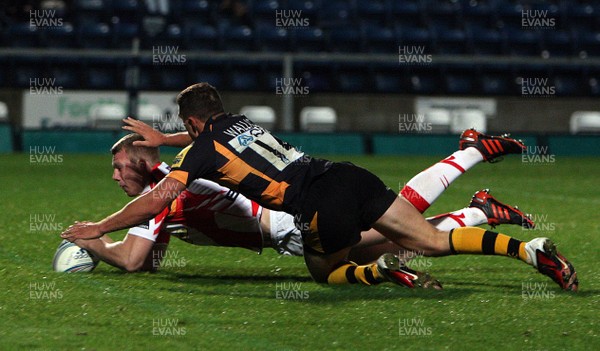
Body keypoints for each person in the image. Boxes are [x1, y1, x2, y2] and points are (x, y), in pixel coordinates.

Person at [62, 83, 577, 291]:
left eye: (118, 167)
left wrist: (96, 230)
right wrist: (167, 134)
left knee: (326, 271)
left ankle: (383, 274)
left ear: (192, 126)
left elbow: (155, 205)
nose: (115, 176)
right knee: (428, 237)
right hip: (345, 173)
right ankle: (525, 249)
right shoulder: (236, 121)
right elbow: (211, 135)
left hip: (308, 213)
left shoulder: (187, 164)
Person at [75, 133, 532, 279]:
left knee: (404, 233)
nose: (115, 176)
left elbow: (135, 261)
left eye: (118, 167)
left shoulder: (162, 195)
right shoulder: (179, 173)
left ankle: (476, 191)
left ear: (141, 163)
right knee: (402, 227)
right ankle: (478, 196)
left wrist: (93, 239)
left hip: (296, 225)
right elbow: (151, 254)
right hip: (305, 198)